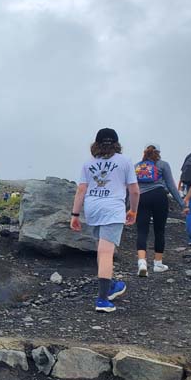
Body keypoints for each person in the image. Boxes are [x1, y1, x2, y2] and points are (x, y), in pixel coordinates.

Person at [70, 128, 139, 313]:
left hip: (93, 209)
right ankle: (102, 300)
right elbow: (134, 190)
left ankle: (109, 286)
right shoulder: (125, 161)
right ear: (116, 144)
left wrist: (75, 215)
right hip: (112, 209)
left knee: (102, 250)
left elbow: (81, 190)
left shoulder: (88, 164)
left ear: (96, 144)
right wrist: (133, 210)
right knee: (107, 252)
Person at [133, 144, 185, 277]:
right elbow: (171, 186)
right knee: (159, 230)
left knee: (142, 230)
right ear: (158, 152)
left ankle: (142, 263)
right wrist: (182, 204)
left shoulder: (137, 166)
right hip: (159, 196)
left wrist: (128, 207)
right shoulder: (163, 164)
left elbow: (132, 188)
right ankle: (158, 264)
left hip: (142, 198)